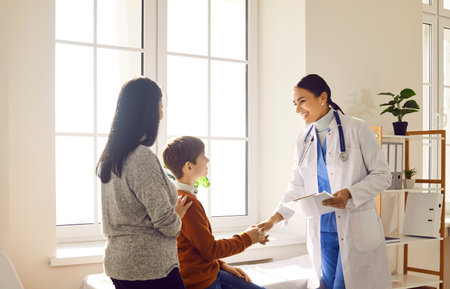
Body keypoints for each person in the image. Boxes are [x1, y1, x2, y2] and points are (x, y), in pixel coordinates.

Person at [257, 74, 392, 289]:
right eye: (295, 103)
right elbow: (296, 186)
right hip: (323, 229)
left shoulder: (357, 129)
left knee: (344, 284)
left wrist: (350, 193)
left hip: (355, 226)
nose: (297, 109)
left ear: (323, 97)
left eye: (302, 101)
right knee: (327, 284)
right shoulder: (303, 138)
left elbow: (383, 175)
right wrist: (273, 220)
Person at [96, 77, 192, 289]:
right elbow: (167, 224)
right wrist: (177, 216)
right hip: (149, 267)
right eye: (160, 105)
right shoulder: (141, 157)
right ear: (147, 111)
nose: (162, 114)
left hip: (119, 264)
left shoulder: (111, 157)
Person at [162, 136, 269, 289]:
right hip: (201, 283)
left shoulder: (182, 198)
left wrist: (221, 265)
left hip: (210, 273)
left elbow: (196, 248)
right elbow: (210, 249)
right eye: (202, 157)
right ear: (188, 167)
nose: (208, 160)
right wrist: (248, 238)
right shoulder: (187, 203)